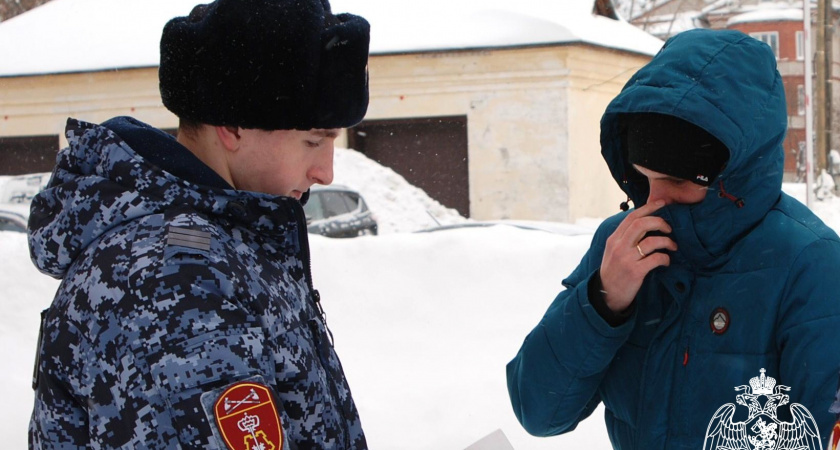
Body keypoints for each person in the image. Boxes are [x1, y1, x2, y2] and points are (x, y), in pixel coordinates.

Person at [27, 0, 370, 448]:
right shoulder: (176, 278)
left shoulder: (227, 240)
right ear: (232, 126)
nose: (325, 172)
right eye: (312, 141)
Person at [507, 28, 840, 449]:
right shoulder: (622, 244)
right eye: (643, 179)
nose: (654, 201)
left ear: (735, 172)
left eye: (677, 180)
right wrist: (603, 300)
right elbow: (539, 412)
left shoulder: (810, 264)